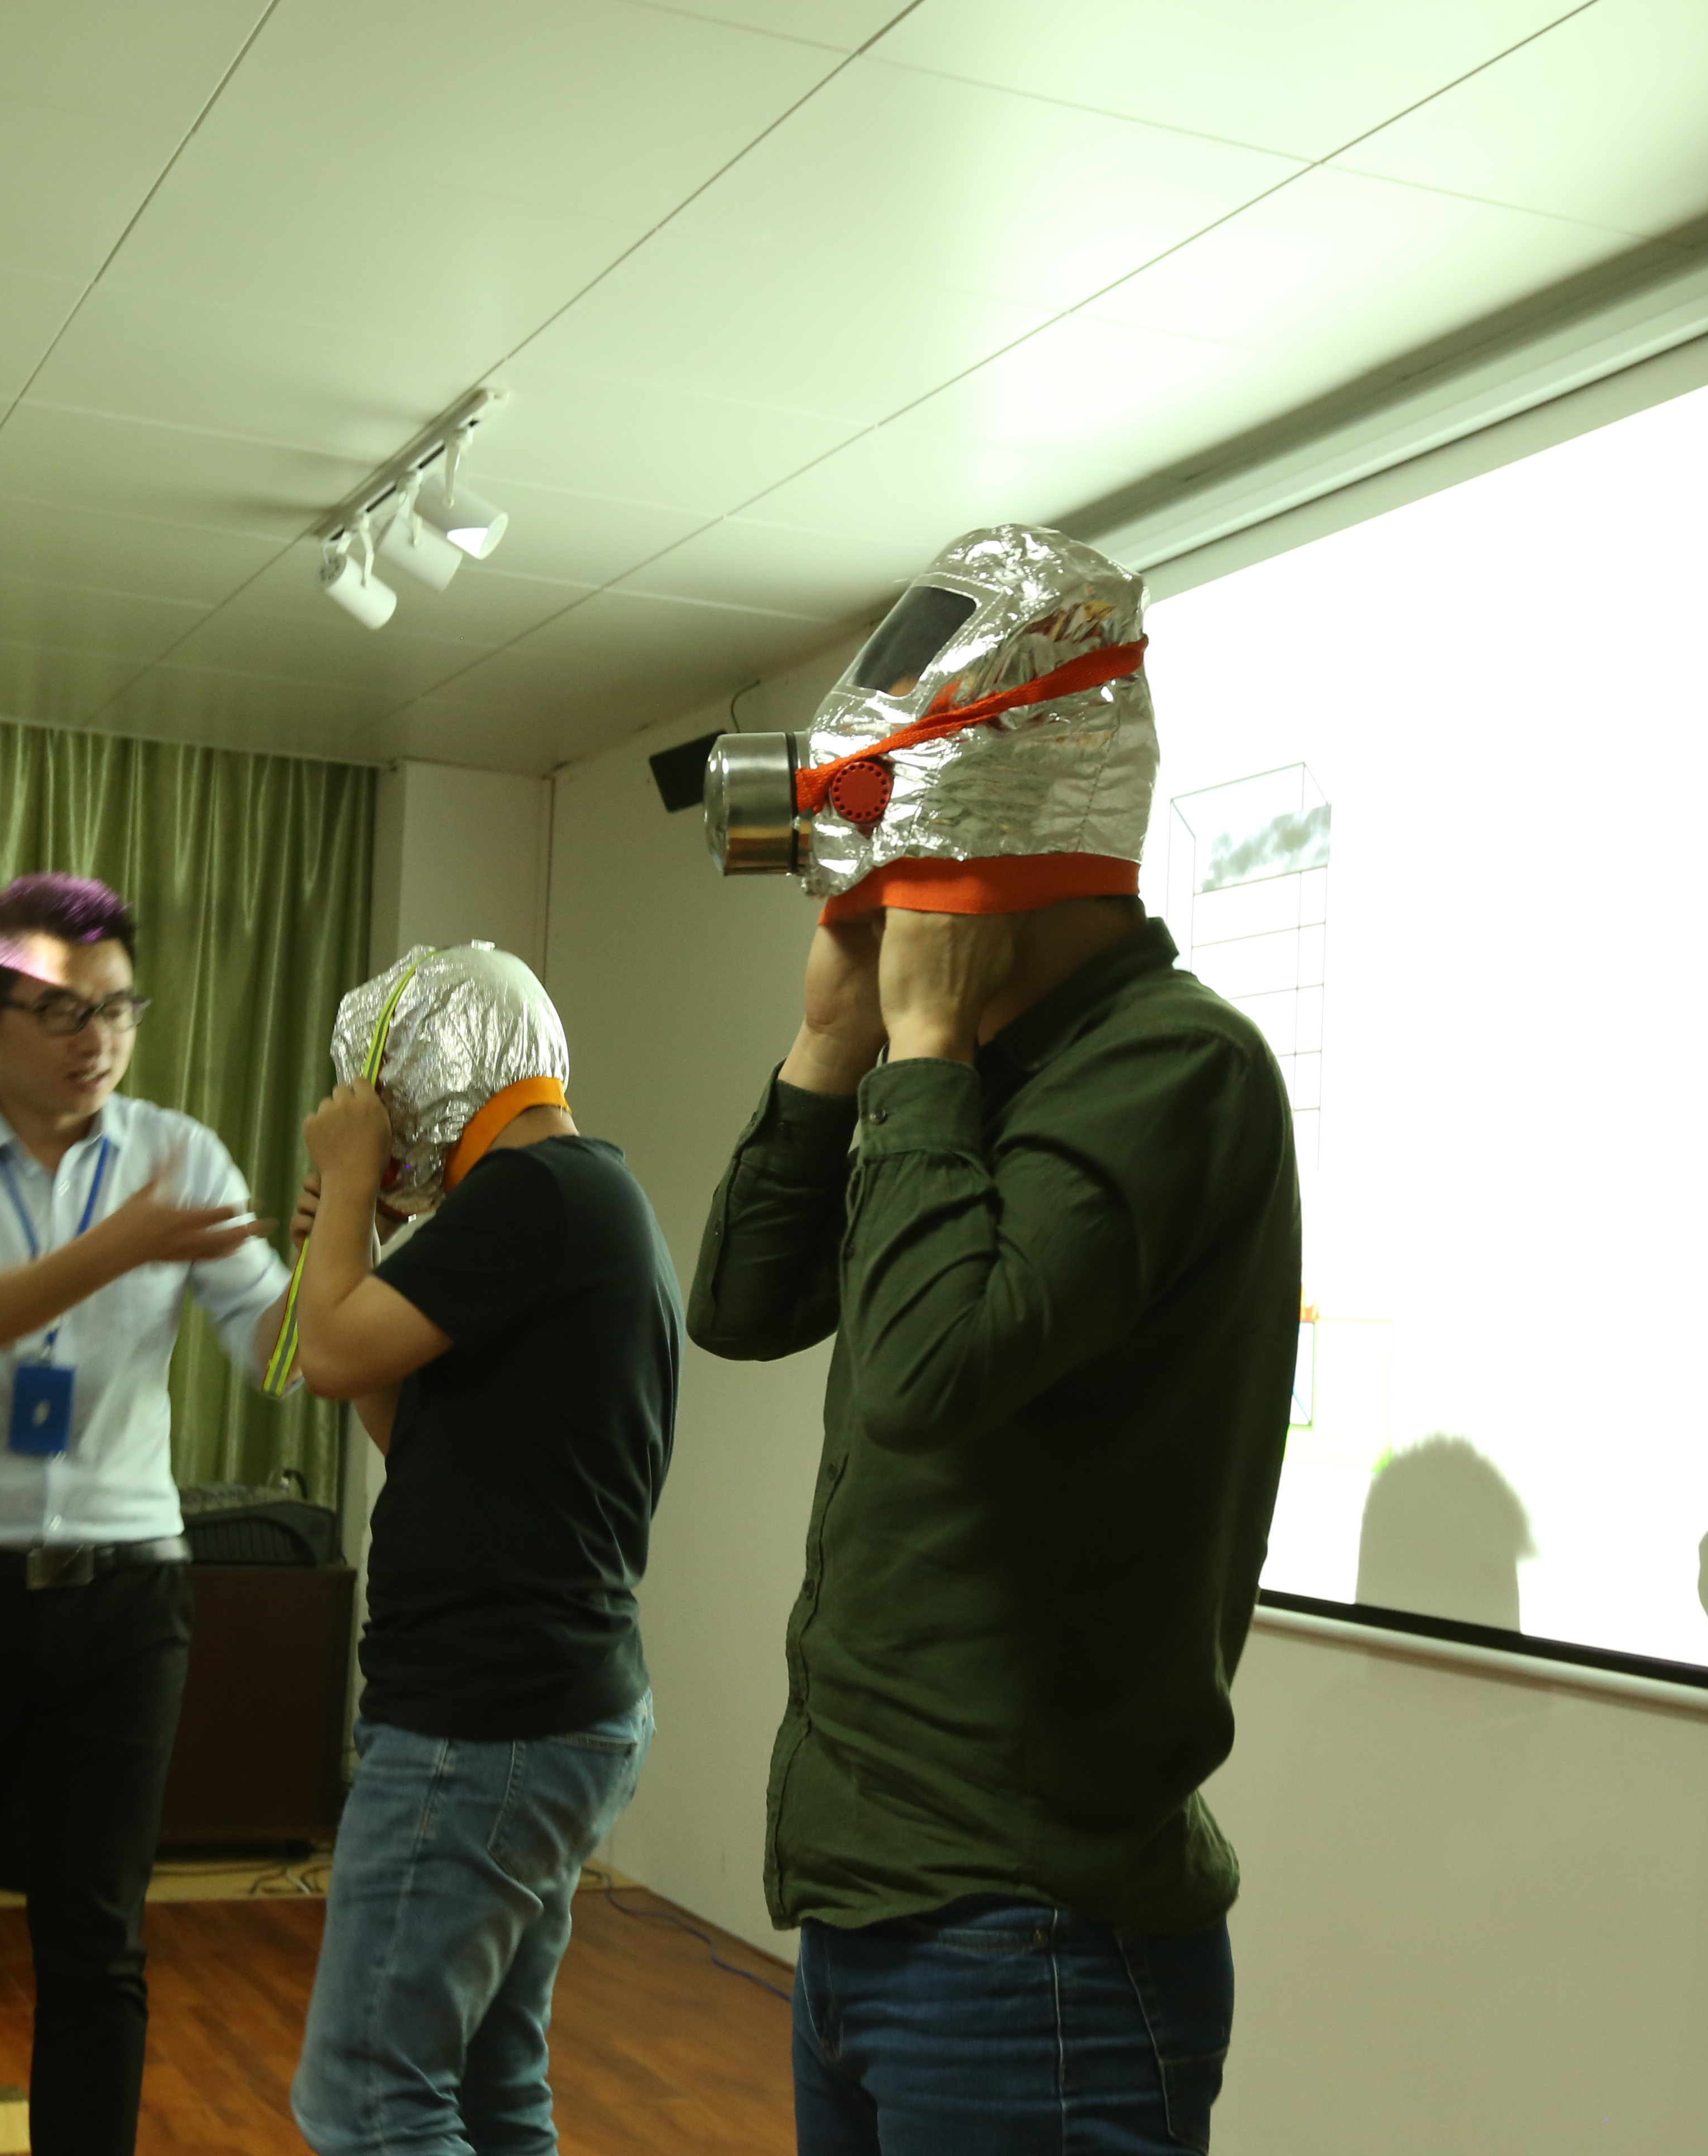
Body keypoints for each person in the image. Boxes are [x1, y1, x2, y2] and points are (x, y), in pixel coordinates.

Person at [687, 527, 1301, 2155]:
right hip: (872, 1911)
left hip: (1035, 1944)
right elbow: (740, 1311)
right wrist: (832, 1049)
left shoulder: (1173, 1067)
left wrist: (927, 1048)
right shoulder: (960, 1076)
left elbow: (921, 1375)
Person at [0, 873, 292, 2156]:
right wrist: (122, 1246)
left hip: (125, 1594)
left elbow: (276, 1349)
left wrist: (353, 1245)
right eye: (64, 1013)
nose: (99, 1040)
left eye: (119, 1009)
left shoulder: (179, 1154)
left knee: (98, 1949)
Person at [275, 943, 681, 2156]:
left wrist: (351, 1182)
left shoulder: (533, 1196)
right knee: (494, 2089)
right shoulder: (574, 1200)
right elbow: (414, 1433)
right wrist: (345, 1246)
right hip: (543, 1711)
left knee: (368, 2100)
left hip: (482, 1723)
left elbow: (326, 1354)